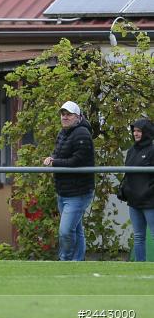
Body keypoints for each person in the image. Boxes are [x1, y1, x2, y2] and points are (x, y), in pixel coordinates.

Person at [43, 101, 95, 261]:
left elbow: (78, 161)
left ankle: (65, 260)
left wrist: (55, 162)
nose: (65, 117)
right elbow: (60, 153)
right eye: (63, 114)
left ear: (78, 117)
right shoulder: (63, 133)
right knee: (76, 229)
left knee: (65, 231)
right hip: (64, 190)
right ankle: (77, 262)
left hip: (78, 191)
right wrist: (52, 157)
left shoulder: (82, 133)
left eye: (69, 114)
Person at [118, 118, 154, 262]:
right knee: (138, 236)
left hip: (150, 201)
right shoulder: (132, 150)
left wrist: (148, 191)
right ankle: (140, 266)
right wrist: (126, 191)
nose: (136, 134)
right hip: (134, 201)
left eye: (139, 131)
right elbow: (128, 174)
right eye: (134, 131)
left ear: (146, 132)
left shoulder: (152, 150)